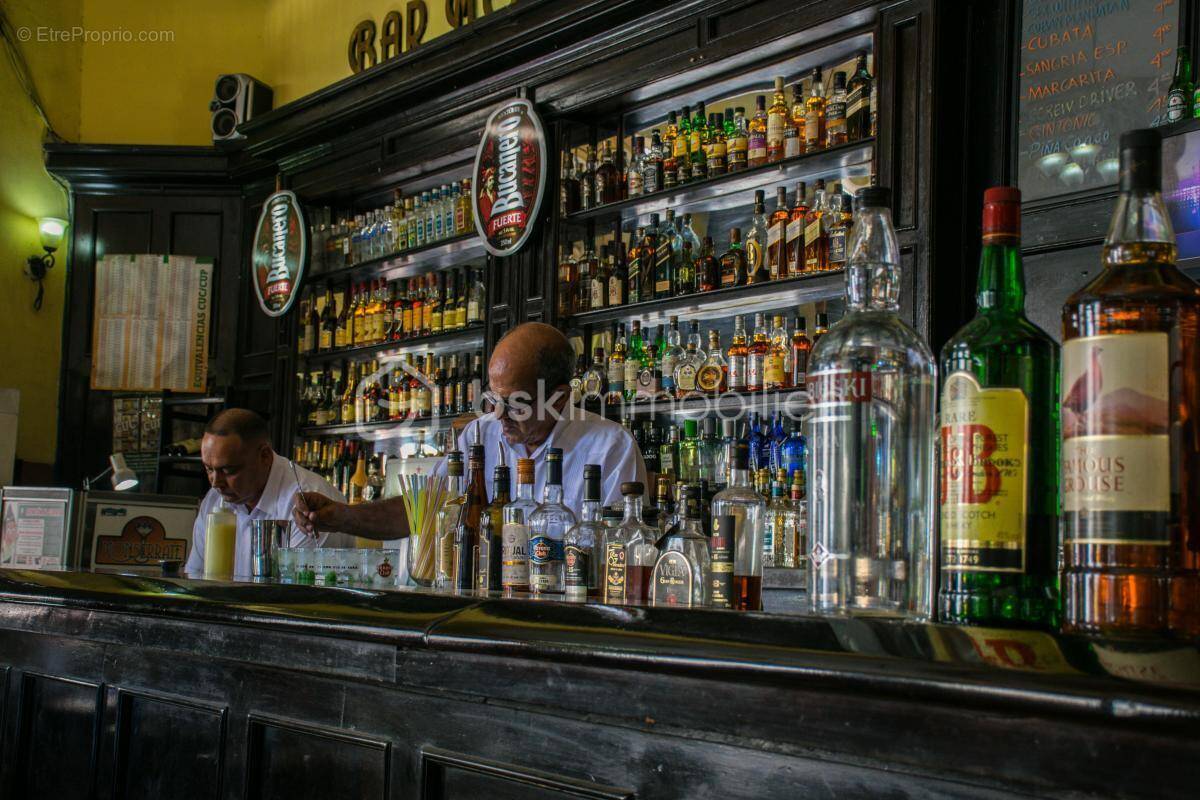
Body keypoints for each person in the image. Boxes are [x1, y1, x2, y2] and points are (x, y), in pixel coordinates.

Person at [293, 322, 647, 540]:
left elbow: (622, 549)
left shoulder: (610, 448)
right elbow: (425, 510)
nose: (497, 414)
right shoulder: (480, 435)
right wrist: (341, 516)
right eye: (492, 399)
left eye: (515, 403)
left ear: (559, 398)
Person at [186, 408, 351, 577]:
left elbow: (302, 593)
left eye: (228, 470)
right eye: (209, 469)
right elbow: (195, 575)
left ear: (264, 456)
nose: (215, 482)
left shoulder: (309, 500)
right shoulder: (214, 499)